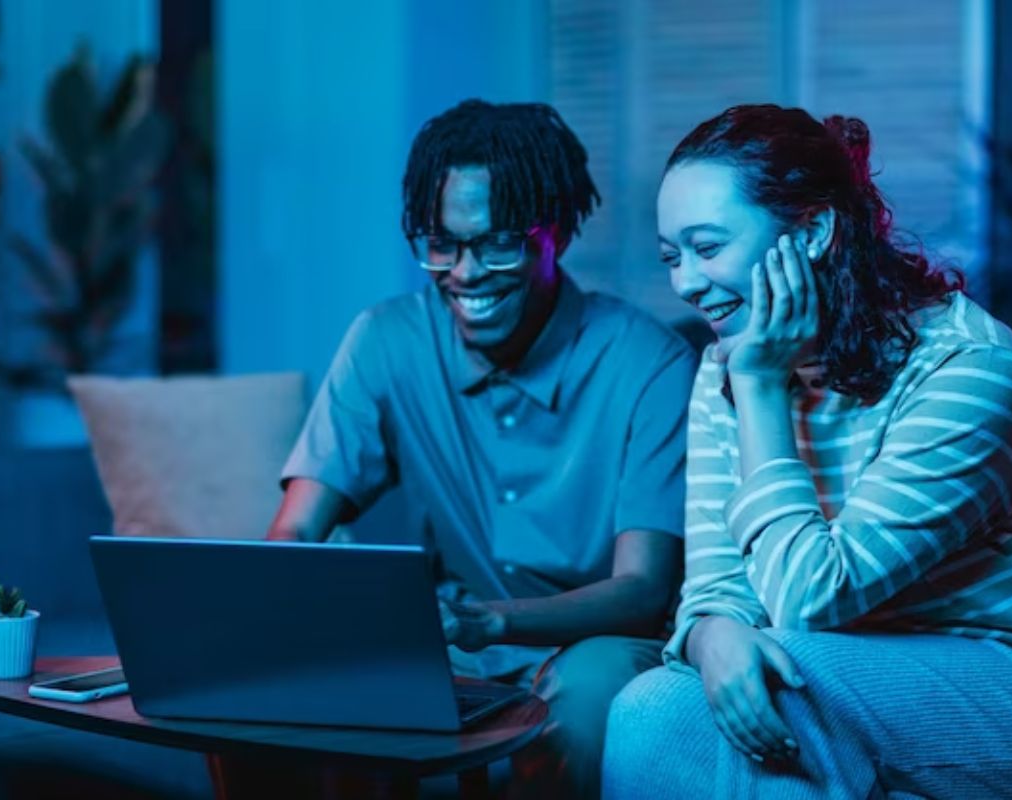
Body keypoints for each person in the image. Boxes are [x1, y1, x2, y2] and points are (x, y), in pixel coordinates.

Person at [602, 104, 1012, 799]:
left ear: (812, 230)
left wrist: (763, 393)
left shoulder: (969, 369)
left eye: (707, 247)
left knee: (776, 691)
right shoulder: (726, 366)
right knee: (651, 709)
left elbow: (812, 597)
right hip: (860, 674)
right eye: (670, 256)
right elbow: (717, 583)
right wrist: (712, 636)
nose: (684, 282)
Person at [268, 98, 696, 797]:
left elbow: (644, 591)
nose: (465, 273)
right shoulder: (386, 340)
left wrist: (489, 620)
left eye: (498, 243)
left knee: (584, 700)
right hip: (445, 643)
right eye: (442, 244)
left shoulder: (649, 365)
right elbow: (296, 529)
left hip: (595, 644)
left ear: (554, 232)